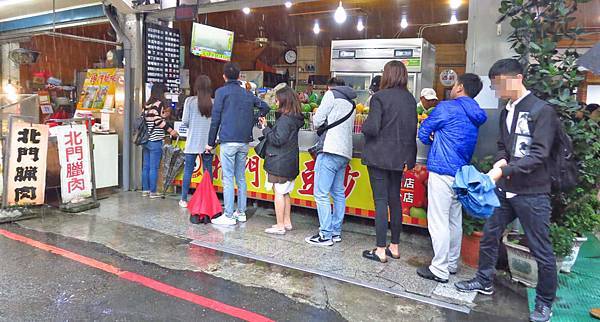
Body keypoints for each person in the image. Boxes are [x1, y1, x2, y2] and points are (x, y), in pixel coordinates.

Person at [455, 59, 559, 322]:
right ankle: (484, 280)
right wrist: (501, 161)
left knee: (541, 248)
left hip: (533, 192)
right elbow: (504, 145)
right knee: (490, 235)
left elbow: (539, 155)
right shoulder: (506, 111)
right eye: (494, 86)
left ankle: (545, 302)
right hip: (505, 189)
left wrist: (504, 170)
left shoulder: (541, 110)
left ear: (518, 78)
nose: (498, 91)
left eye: (500, 84)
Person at [416, 73, 487, 282]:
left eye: (455, 84)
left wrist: (434, 136)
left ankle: (439, 268)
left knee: (438, 221)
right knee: (454, 220)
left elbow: (423, 132)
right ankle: (452, 263)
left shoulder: (447, 108)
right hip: (460, 174)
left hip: (441, 170)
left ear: (459, 87)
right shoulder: (476, 114)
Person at [360, 61, 417, 262]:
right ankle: (395, 246)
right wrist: (409, 158)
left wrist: (364, 125)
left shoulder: (379, 97)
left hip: (378, 157)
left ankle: (380, 249)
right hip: (400, 158)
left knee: (381, 202)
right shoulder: (410, 100)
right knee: (395, 201)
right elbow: (412, 131)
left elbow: (372, 128)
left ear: (387, 75)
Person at [206, 62, 270, 226]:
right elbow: (265, 106)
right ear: (239, 76)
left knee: (228, 178)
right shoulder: (246, 93)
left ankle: (228, 215)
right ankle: (240, 213)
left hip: (228, 141)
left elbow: (216, 119)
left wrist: (210, 143)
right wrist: (255, 119)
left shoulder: (221, 92)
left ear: (224, 76)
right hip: (244, 142)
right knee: (240, 177)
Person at [305, 77, 356, 246]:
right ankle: (335, 232)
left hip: (330, 149)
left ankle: (325, 234)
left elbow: (317, 120)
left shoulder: (330, 95)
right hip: (345, 152)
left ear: (330, 86)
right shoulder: (352, 102)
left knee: (320, 193)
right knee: (338, 193)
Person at [258, 86, 304, 235]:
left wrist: (265, 128)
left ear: (284, 101)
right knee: (285, 192)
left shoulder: (285, 120)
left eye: (277, 100)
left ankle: (279, 225)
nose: (276, 102)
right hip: (289, 161)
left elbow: (277, 140)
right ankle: (287, 222)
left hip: (279, 162)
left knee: (279, 192)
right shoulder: (294, 118)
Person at [179, 75, 214, 208]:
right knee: (207, 171)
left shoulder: (189, 101)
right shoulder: (214, 102)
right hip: (208, 143)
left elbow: (185, 121)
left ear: (196, 87)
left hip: (192, 140)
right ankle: (208, 199)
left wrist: (193, 126)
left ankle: (183, 199)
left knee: (188, 170)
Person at [142, 83, 178, 199]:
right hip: (155, 139)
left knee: (146, 166)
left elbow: (151, 118)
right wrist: (171, 130)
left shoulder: (147, 105)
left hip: (146, 140)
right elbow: (157, 120)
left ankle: (145, 190)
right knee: (154, 167)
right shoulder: (159, 104)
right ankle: (153, 192)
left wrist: (164, 115)